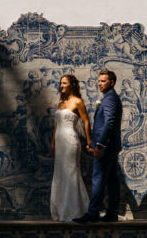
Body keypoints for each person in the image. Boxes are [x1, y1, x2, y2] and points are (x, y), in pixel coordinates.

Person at [73, 70, 123, 223]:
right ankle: (112, 213)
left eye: (103, 81)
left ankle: (94, 213)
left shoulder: (110, 100)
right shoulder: (109, 98)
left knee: (98, 179)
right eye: (99, 81)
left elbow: (108, 124)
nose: (99, 83)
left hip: (106, 147)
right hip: (110, 146)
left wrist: (100, 146)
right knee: (112, 180)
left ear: (112, 82)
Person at [49, 74, 92, 221]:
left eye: (64, 83)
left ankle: (75, 211)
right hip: (60, 143)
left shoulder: (78, 102)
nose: (61, 86)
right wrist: (53, 142)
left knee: (71, 173)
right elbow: (57, 124)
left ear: (71, 85)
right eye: (60, 83)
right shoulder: (61, 103)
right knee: (60, 174)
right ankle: (61, 210)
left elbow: (86, 122)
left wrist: (89, 141)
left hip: (71, 141)